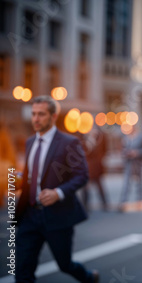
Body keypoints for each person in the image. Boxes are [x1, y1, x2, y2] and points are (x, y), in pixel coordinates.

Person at [15, 96, 98, 282]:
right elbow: (30, 175)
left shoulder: (70, 143)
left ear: (53, 116)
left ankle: (89, 278)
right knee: (22, 271)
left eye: (41, 114)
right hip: (29, 215)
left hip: (57, 216)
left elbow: (81, 176)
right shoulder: (29, 142)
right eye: (34, 114)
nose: (35, 119)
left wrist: (57, 193)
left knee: (65, 264)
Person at [119, 125, 142, 212]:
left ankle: (140, 200)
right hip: (129, 163)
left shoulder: (141, 137)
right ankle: (124, 201)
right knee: (126, 183)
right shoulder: (125, 138)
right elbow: (122, 149)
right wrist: (126, 153)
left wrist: (137, 153)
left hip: (138, 163)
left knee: (140, 183)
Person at [82, 127, 108, 211]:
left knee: (99, 186)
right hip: (88, 168)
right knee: (86, 188)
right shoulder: (85, 141)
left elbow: (104, 151)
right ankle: (85, 205)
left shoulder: (99, 141)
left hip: (96, 168)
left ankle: (104, 203)